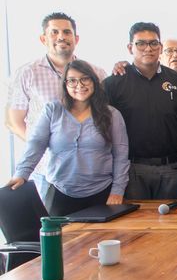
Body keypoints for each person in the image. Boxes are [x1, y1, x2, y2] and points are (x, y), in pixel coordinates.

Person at [6, 60, 128, 216]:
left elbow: (121, 156)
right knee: (60, 239)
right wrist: (22, 174)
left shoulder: (111, 114)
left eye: (85, 78)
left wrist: (117, 190)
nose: (79, 85)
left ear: (93, 81)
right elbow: (36, 144)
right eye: (72, 80)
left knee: (100, 240)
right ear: (65, 84)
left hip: (102, 193)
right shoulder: (52, 110)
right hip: (60, 192)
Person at [6, 13, 106, 197]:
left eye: (67, 32)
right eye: (54, 32)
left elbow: (105, 116)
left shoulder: (97, 73)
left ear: (76, 38)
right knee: (51, 224)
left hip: (91, 173)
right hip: (45, 171)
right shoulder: (27, 73)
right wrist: (45, 147)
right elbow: (14, 122)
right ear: (43, 38)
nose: (61, 37)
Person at [103, 22, 177, 200]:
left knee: (171, 224)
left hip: (172, 168)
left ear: (160, 48)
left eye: (153, 43)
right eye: (141, 43)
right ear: (130, 48)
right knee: (134, 225)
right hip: (131, 169)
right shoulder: (114, 83)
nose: (148, 48)